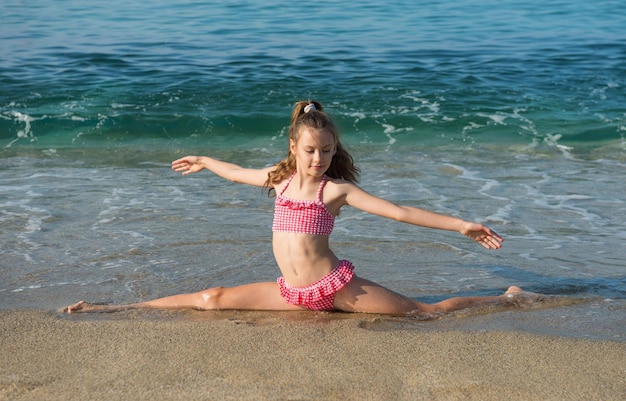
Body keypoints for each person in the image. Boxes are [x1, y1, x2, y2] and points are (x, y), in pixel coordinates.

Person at [66, 100, 543, 316]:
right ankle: (111, 306)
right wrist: (206, 160)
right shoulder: (278, 181)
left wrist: (462, 225)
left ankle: (508, 297)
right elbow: (237, 173)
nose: (320, 159)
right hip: (291, 293)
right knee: (210, 297)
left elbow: (398, 212)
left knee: (425, 311)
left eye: (328, 151)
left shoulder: (333, 191)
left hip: (336, 289)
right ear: (295, 146)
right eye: (312, 151)